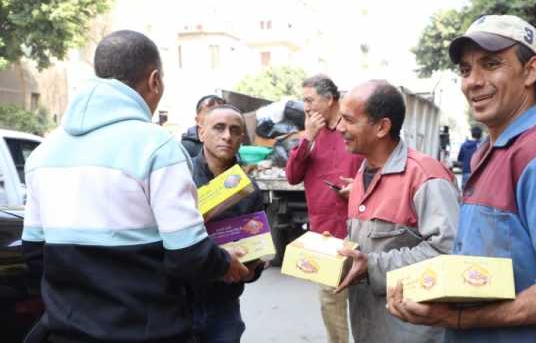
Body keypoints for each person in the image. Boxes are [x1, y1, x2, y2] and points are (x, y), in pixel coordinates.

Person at [387, 15, 536, 343]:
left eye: (491, 64)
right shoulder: (486, 153)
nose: (473, 82)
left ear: (531, 70)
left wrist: (462, 318)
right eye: (465, 70)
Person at [21, 30, 249, 342]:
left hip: (66, 332)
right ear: (154, 80)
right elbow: (188, 253)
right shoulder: (156, 147)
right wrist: (226, 264)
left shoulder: (43, 154)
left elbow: (34, 253)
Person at [335, 80, 460, 343]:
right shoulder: (362, 174)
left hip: (412, 333)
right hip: (369, 328)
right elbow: (367, 247)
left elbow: (448, 252)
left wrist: (371, 266)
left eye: (348, 120)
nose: (339, 128)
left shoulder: (426, 176)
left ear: (382, 127)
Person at [285, 74, 364, 343]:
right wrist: (307, 138)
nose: (305, 107)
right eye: (303, 100)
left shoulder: (354, 128)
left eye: (310, 100)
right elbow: (293, 176)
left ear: (330, 100)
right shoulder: (309, 135)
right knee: (330, 302)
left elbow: (379, 170)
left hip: (360, 230)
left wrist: (359, 188)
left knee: (365, 303)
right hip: (324, 234)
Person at [190, 104, 265, 343]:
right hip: (178, 301)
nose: (227, 136)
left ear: (241, 138)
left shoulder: (250, 189)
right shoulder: (179, 176)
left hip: (224, 304)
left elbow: (257, 247)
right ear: (201, 132)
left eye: (235, 130)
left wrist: (251, 269)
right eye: (219, 128)